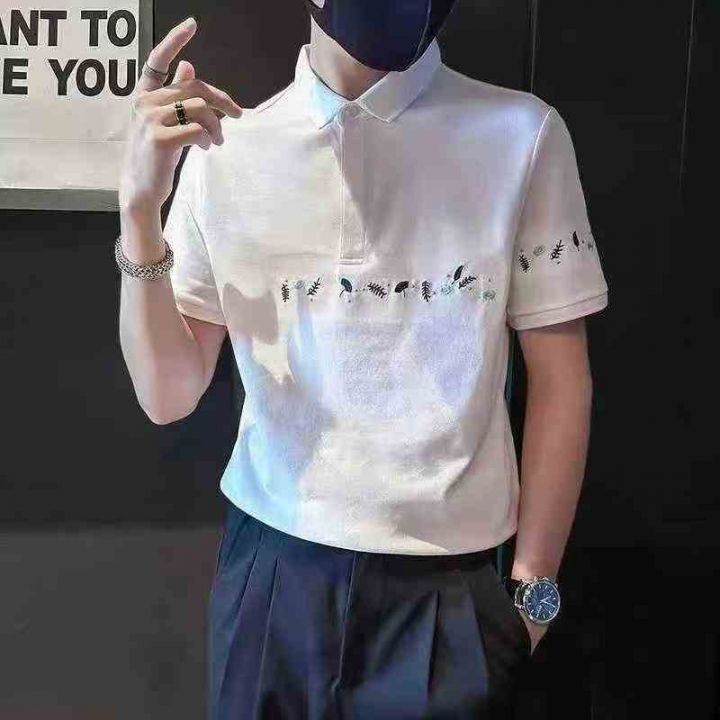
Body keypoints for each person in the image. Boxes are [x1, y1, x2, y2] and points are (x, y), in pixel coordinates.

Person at [116, 2, 609, 718]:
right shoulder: (230, 149)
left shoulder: (519, 134)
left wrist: (533, 592)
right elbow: (168, 395)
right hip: (272, 581)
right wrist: (139, 214)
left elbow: (562, 381)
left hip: (449, 592)